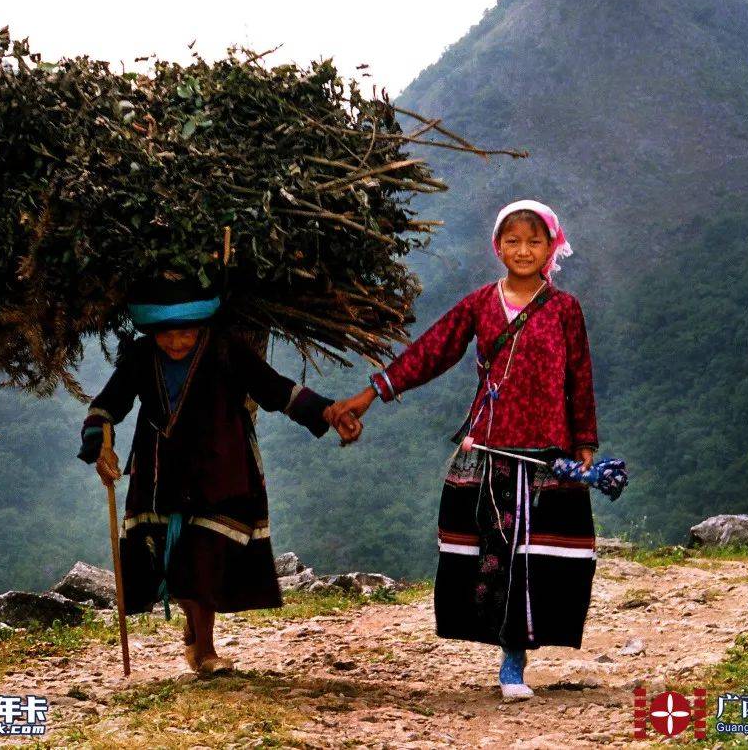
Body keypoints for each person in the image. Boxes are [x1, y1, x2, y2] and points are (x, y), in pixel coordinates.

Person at [325, 200, 599, 701]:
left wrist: (584, 442)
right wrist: (371, 393)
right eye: (512, 241)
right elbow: (432, 351)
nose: (523, 250)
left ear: (551, 247)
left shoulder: (565, 309)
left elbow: (579, 376)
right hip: (490, 448)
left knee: (535, 559)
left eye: (534, 241)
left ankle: (515, 659)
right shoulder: (479, 304)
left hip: (546, 454)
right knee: (495, 556)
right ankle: (508, 657)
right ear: (498, 247)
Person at [77, 274, 360, 676]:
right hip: (160, 476)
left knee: (205, 554)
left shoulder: (226, 350)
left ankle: (205, 649)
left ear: (202, 326)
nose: (176, 343)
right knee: (179, 560)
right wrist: (100, 446)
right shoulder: (141, 358)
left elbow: (275, 389)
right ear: (151, 331)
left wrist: (329, 412)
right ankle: (197, 634)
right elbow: (105, 406)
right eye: (166, 335)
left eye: (186, 334)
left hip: (220, 471)